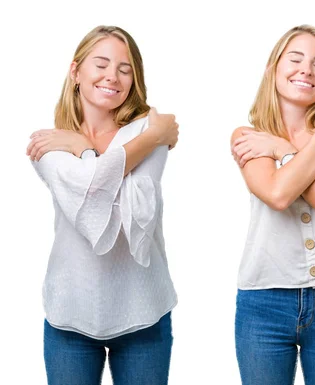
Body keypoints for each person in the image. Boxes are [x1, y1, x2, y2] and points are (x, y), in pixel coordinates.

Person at [26, 25, 179, 385]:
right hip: (71, 315)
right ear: (76, 71)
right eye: (102, 64)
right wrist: (153, 137)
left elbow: (131, 210)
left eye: (125, 69)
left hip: (143, 312)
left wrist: (82, 149)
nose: (113, 76)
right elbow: (94, 202)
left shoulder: (146, 133)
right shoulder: (48, 144)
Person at [230, 25, 315, 385]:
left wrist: (282, 150)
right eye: (295, 59)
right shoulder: (247, 136)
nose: (306, 69)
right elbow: (277, 194)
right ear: (272, 69)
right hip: (263, 304)